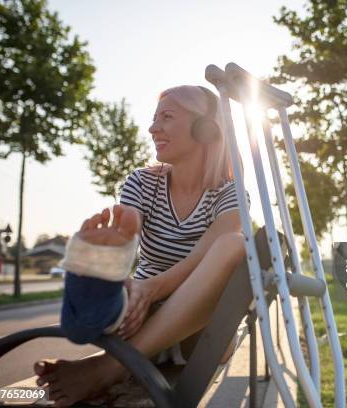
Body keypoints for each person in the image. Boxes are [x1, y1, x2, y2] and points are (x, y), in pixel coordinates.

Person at [33, 85, 250, 407]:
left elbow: (220, 246)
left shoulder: (230, 193)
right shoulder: (142, 181)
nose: (152, 128)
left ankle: (105, 368)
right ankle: (96, 295)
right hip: (138, 312)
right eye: (154, 118)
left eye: (167, 117)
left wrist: (153, 287)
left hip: (202, 330)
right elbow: (131, 222)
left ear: (204, 129)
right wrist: (120, 243)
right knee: (122, 294)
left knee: (234, 244)